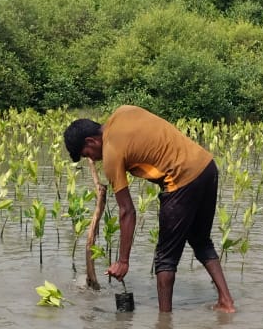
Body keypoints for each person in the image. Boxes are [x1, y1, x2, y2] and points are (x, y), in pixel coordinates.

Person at [64, 106, 236, 313]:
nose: (92, 159)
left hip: (180, 179)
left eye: (87, 154)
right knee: (200, 240)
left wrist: (123, 261)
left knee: (164, 258)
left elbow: (127, 211)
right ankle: (226, 302)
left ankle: (164, 325)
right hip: (206, 167)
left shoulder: (111, 153)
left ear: (91, 141)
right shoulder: (123, 111)